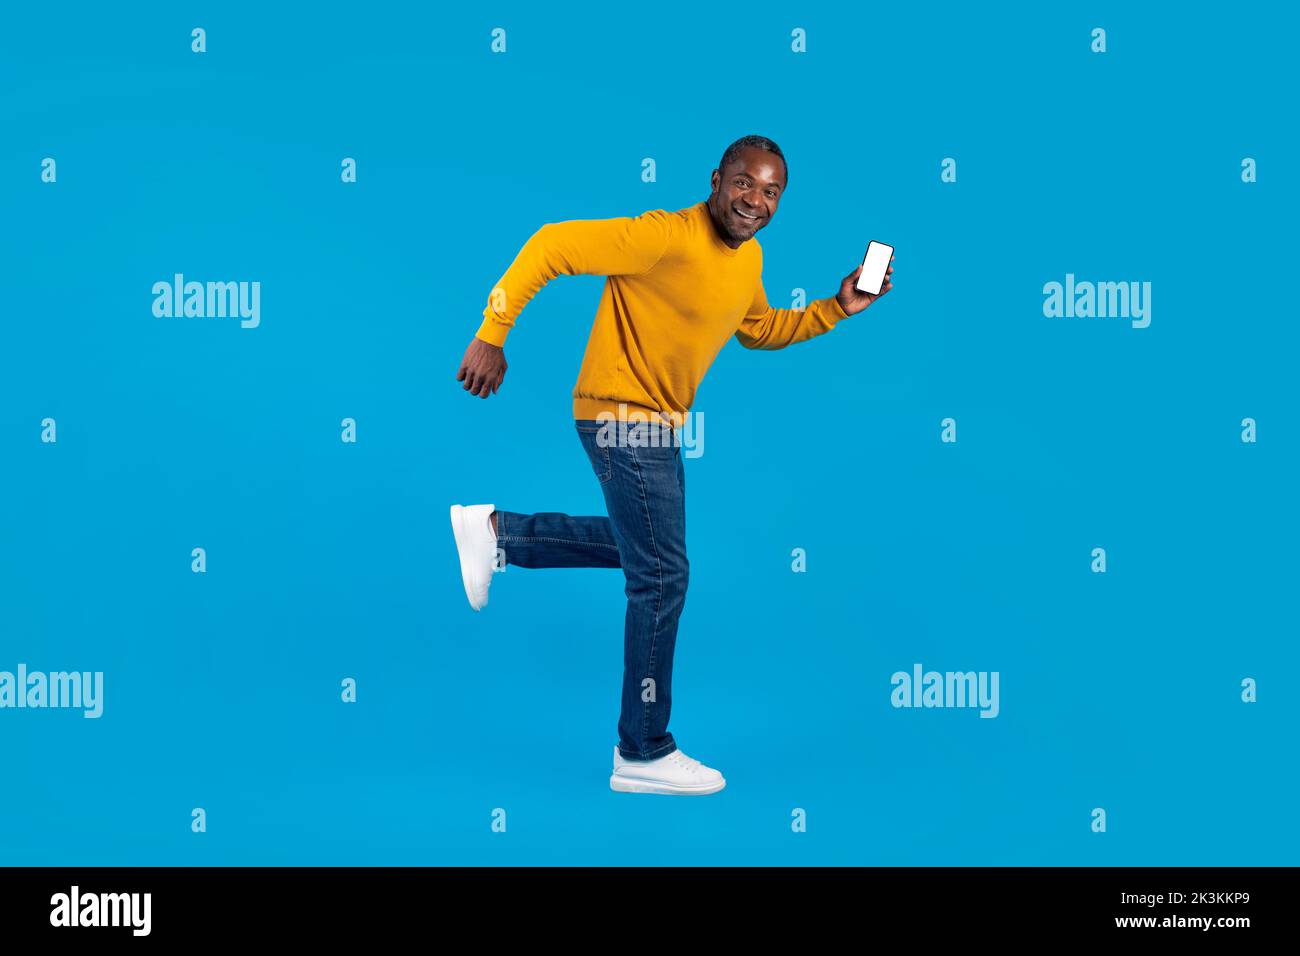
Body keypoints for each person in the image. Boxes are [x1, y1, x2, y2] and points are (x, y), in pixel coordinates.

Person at [449, 135, 894, 795]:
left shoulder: (749, 259)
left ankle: (499, 534)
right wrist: (492, 333)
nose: (756, 201)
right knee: (662, 576)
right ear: (717, 179)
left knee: (652, 557)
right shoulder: (665, 234)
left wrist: (837, 308)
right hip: (621, 414)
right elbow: (549, 245)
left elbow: (759, 327)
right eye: (745, 183)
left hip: (657, 425)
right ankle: (643, 750)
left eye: (772, 191)